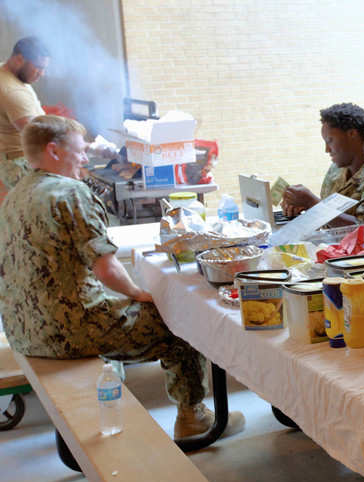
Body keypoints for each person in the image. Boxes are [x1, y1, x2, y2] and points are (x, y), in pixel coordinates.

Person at [0, 115, 244, 439]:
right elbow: (107, 269)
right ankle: (193, 417)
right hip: (67, 332)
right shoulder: (70, 193)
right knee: (181, 322)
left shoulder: (15, 195)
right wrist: (137, 293)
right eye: (80, 151)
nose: (86, 159)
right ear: (54, 150)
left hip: (22, 329)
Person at [281, 102, 364, 228]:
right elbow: (328, 220)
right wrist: (303, 206)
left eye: (330, 141)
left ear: (352, 134)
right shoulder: (336, 169)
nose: (327, 149)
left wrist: (313, 203)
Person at [0, 36, 49, 204]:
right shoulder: (11, 90)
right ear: (20, 59)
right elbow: (38, 134)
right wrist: (86, 146)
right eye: (38, 68)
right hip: (19, 164)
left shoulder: (8, 75)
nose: (42, 74)